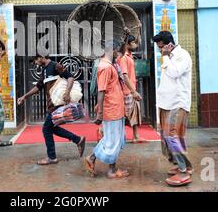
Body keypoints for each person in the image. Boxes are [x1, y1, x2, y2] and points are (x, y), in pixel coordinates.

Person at [17, 54, 86, 165]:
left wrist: (67, 93)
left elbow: (70, 77)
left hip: (57, 104)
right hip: (51, 105)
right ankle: (78, 139)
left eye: (35, 60)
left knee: (46, 129)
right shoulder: (44, 70)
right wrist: (24, 96)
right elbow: (38, 87)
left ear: (41, 56)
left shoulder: (55, 66)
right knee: (52, 128)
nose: (35, 63)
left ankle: (52, 157)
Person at [153, 31, 193, 186]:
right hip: (165, 103)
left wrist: (165, 56)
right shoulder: (168, 56)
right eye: (159, 48)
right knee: (165, 138)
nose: (160, 50)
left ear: (169, 44)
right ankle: (180, 165)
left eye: (161, 47)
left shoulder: (183, 55)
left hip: (177, 103)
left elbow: (174, 73)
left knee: (172, 137)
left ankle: (184, 171)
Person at [84, 40, 129, 179]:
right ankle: (108, 169)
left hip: (116, 108)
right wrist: (100, 113)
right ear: (112, 50)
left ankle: (108, 166)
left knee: (114, 140)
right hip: (111, 109)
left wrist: (125, 38)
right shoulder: (105, 67)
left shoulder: (109, 65)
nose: (119, 53)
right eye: (117, 51)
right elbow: (101, 91)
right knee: (111, 141)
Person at [117, 35, 147, 143]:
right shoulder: (124, 58)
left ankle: (136, 136)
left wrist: (138, 29)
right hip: (126, 90)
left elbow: (138, 42)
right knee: (126, 115)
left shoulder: (129, 55)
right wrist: (133, 91)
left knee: (134, 113)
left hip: (130, 89)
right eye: (133, 42)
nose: (135, 44)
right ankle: (106, 132)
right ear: (127, 44)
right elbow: (124, 76)